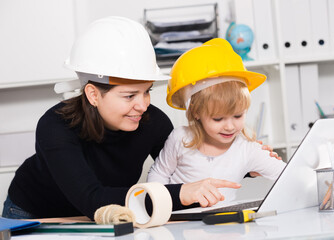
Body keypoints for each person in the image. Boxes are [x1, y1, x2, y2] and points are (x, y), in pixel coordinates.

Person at [2, 17, 244, 220]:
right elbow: (92, 200)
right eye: (129, 95)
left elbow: (188, 175)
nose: (142, 105)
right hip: (35, 214)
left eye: (147, 91)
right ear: (93, 94)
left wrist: (243, 162)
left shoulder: (154, 122)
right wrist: (181, 194)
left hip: (108, 215)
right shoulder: (55, 126)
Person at [147, 38, 286, 203]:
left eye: (238, 116)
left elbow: (290, 176)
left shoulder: (247, 149)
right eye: (218, 118)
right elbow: (159, 173)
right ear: (196, 112)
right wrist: (160, 208)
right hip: (178, 221)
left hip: (223, 224)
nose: (229, 126)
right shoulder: (180, 138)